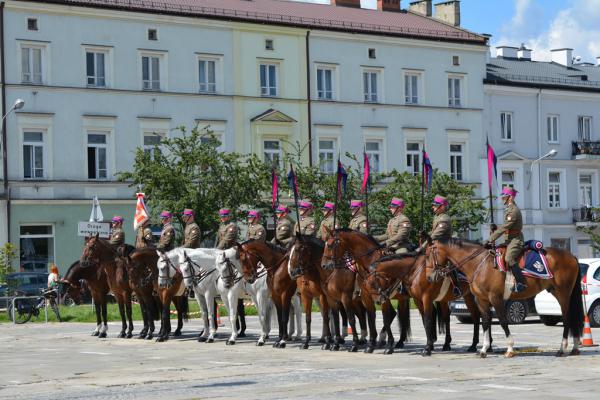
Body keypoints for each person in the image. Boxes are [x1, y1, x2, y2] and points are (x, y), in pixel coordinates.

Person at [483, 186, 526, 293]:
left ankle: (521, 282)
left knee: (508, 259)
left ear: (510, 198)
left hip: (515, 240)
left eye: (504, 197)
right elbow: (506, 227)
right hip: (508, 240)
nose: (502, 199)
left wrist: (490, 239)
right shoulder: (509, 209)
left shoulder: (513, 211)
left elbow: (505, 227)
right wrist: (495, 228)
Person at [422, 195, 460, 297]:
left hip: (446, 246)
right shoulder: (437, 217)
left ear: (442, 207)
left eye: (435, 205)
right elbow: (433, 232)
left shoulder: (445, 218)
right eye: (433, 205)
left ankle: (456, 286)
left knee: (450, 265)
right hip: (437, 245)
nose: (433, 207)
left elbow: (436, 234)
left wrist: (424, 244)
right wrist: (425, 234)